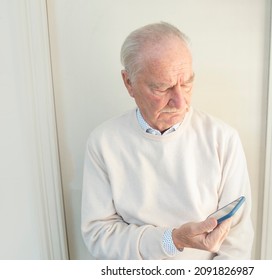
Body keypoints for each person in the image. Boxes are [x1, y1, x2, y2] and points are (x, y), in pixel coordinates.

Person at [81, 22, 254, 260]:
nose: (180, 102)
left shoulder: (223, 139)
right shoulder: (103, 143)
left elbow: (237, 242)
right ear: (128, 82)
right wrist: (172, 240)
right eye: (162, 88)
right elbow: (99, 235)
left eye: (186, 83)